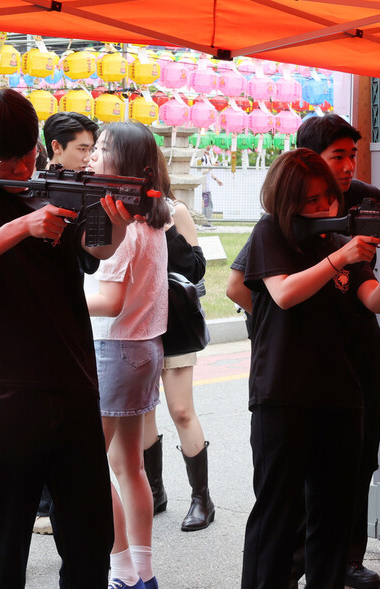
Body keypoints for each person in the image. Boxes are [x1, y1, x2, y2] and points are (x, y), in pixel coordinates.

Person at [0, 88, 133, 588]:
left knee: (89, 538)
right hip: (0, 389)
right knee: (3, 542)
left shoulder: (57, 183)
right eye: (7, 159)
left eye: (28, 155)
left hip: (72, 380)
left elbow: (96, 251)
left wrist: (119, 225)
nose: (21, 167)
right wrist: (24, 225)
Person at [228, 113, 380, 588]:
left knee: (332, 517)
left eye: (326, 196)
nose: (324, 203)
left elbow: (373, 299)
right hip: (283, 394)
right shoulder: (272, 232)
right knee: (277, 513)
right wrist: (340, 256)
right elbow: (284, 293)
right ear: (288, 201)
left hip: (340, 394)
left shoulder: (337, 238)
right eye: (311, 199)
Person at [85, 121, 171, 589]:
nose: (93, 155)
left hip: (113, 349)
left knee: (91, 469)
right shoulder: (153, 220)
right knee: (131, 466)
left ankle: (121, 572)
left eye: (102, 149)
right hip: (144, 350)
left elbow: (110, 301)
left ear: (129, 167)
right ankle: (143, 571)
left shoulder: (123, 227)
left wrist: (62, 298)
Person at [28, 111, 102, 537]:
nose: (89, 157)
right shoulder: (28, 190)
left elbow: (91, 259)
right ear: (55, 148)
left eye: (92, 149)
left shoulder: (88, 189)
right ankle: (40, 504)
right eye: (82, 149)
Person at [142, 197, 216, 532]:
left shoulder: (176, 211)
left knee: (181, 410)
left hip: (175, 326)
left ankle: (202, 499)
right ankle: (154, 491)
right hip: (136, 326)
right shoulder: (115, 206)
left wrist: (169, 229)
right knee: (142, 411)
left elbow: (196, 269)